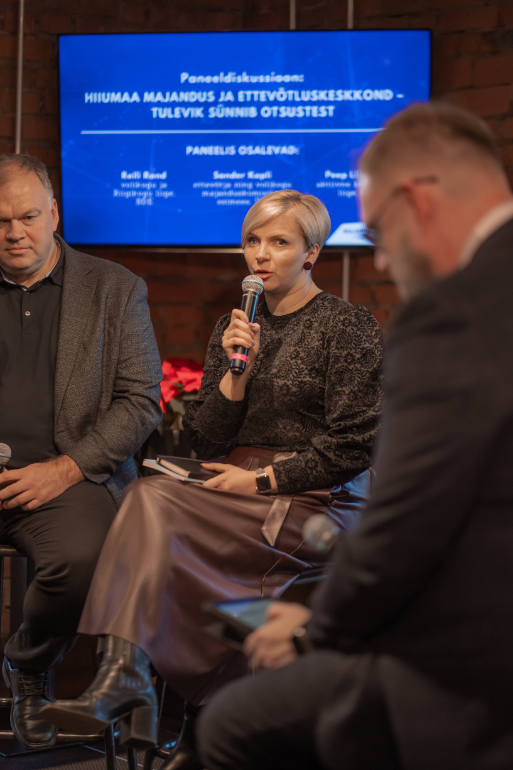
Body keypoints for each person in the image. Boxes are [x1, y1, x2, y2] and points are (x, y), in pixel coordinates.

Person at [196, 102, 513, 770]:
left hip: (473, 647)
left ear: (414, 203)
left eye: (378, 235)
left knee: (233, 727)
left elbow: (409, 512)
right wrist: (235, 375)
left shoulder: (453, 312)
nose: (384, 260)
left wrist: (320, 627)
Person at [41, 190, 384, 764]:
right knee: (148, 494)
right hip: (233, 485)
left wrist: (262, 481)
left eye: (279, 242)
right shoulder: (234, 326)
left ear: (312, 253)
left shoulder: (347, 326)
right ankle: (151, 697)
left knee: (154, 509)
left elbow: (356, 444)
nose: (261, 255)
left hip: (317, 498)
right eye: (253, 240)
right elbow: (208, 441)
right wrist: (234, 376)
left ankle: (145, 693)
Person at [0, 154, 162, 749]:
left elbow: (141, 402)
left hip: (67, 477)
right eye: (0, 221)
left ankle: (26, 666)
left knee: (86, 558)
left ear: (54, 214)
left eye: (27, 217)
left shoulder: (115, 288)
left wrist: (64, 470)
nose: (15, 233)